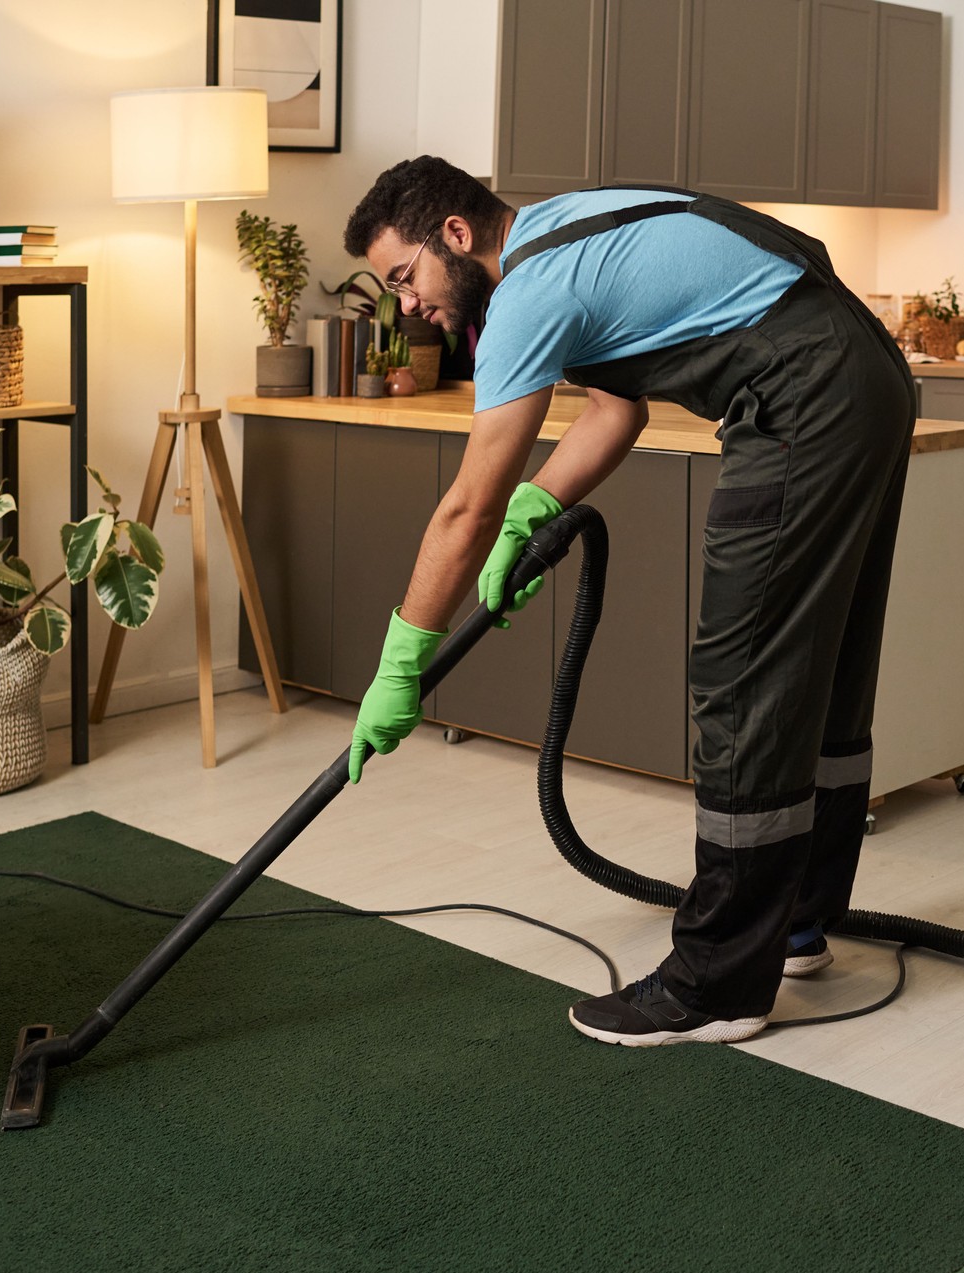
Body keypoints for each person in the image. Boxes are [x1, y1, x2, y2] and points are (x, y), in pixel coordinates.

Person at [341, 158, 915, 1047]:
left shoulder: (529, 291)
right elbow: (616, 413)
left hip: (804, 395)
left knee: (744, 676)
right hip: (861, 374)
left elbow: (465, 509)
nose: (408, 305)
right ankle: (794, 923)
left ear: (454, 233)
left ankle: (721, 983)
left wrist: (402, 658)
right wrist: (540, 505)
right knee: (821, 665)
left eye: (404, 277)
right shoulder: (569, 229)